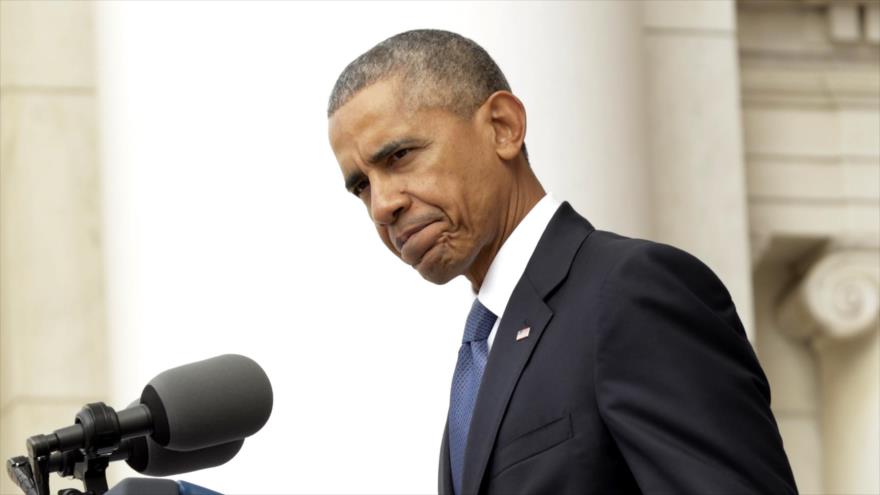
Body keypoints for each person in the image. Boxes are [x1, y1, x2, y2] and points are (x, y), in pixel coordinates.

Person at [326, 29, 798, 495]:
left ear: (503, 127)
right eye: (362, 186)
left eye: (400, 156)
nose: (382, 204)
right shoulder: (483, 350)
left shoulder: (630, 292)